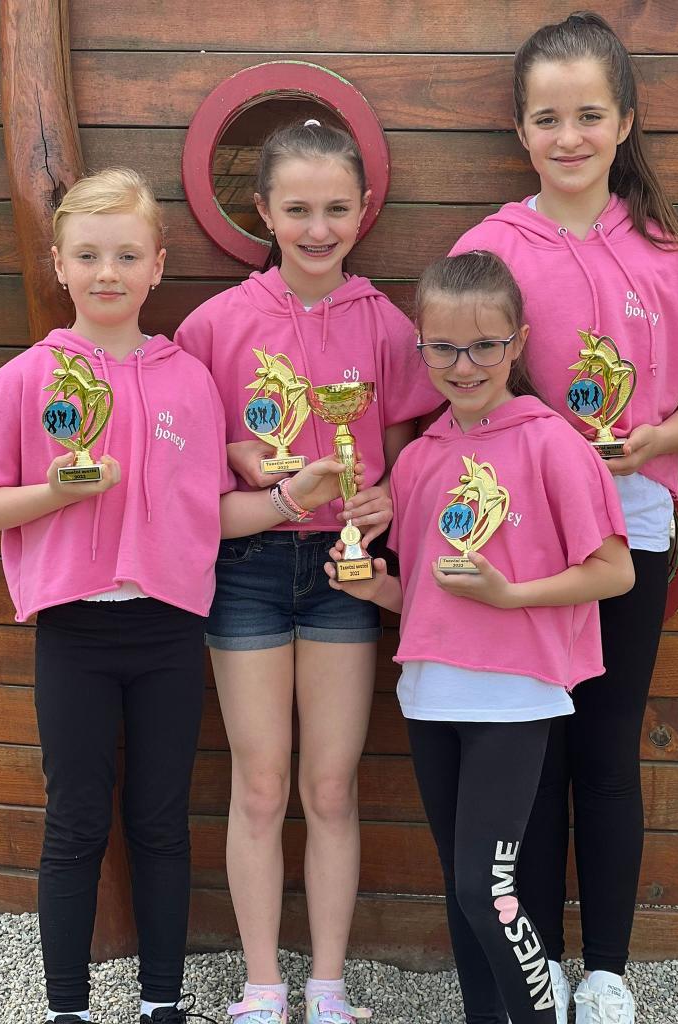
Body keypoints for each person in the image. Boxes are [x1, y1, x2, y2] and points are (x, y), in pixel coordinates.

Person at [0, 168, 350, 1024]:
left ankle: (161, 1003)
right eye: (88, 256)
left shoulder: (190, 380)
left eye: (126, 256)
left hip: (171, 631)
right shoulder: (26, 380)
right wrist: (53, 494)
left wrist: (292, 498)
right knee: (75, 821)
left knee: (159, 821)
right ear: (59, 266)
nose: (107, 273)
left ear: (157, 266)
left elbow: (211, 514)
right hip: (73, 631)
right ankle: (66, 1008)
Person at [449, 12, 678, 1024]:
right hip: (519, 548)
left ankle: (606, 970)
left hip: (630, 533)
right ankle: (535, 967)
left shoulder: (669, 255)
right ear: (519, 130)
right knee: (529, 757)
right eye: (546, 118)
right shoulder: (489, 248)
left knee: (608, 749)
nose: (567, 136)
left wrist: (651, 440)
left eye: (587, 115)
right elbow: (455, 388)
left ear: (625, 121)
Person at [174, 120, 441, 1024]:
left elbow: (407, 450)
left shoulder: (388, 324)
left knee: (330, 785)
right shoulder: (215, 325)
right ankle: (262, 987)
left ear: (364, 210)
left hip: (345, 571)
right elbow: (187, 454)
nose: (318, 228)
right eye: (298, 209)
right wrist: (236, 452)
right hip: (246, 565)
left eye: (335, 209)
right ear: (263, 212)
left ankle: (327, 987)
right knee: (258, 783)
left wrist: (388, 500)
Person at [325, 250, 635, 1024]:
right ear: (420, 346)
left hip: (514, 697)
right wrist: (370, 586)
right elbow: (427, 597)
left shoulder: (554, 444)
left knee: (485, 889)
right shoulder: (418, 460)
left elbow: (614, 571)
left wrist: (512, 596)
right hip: (430, 694)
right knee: (462, 892)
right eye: (443, 348)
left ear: (518, 341)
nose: (463, 366)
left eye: (484, 346)